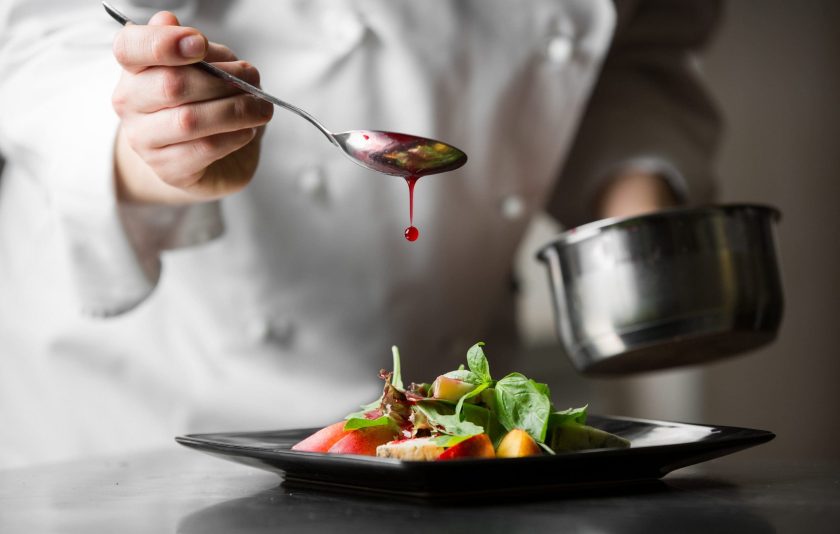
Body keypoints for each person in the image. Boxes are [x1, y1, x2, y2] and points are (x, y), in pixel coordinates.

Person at [0, 0, 720, 468]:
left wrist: (636, 212)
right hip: (150, 411)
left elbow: (633, 50)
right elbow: (41, 35)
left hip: (458, 429)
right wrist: (160, 143)